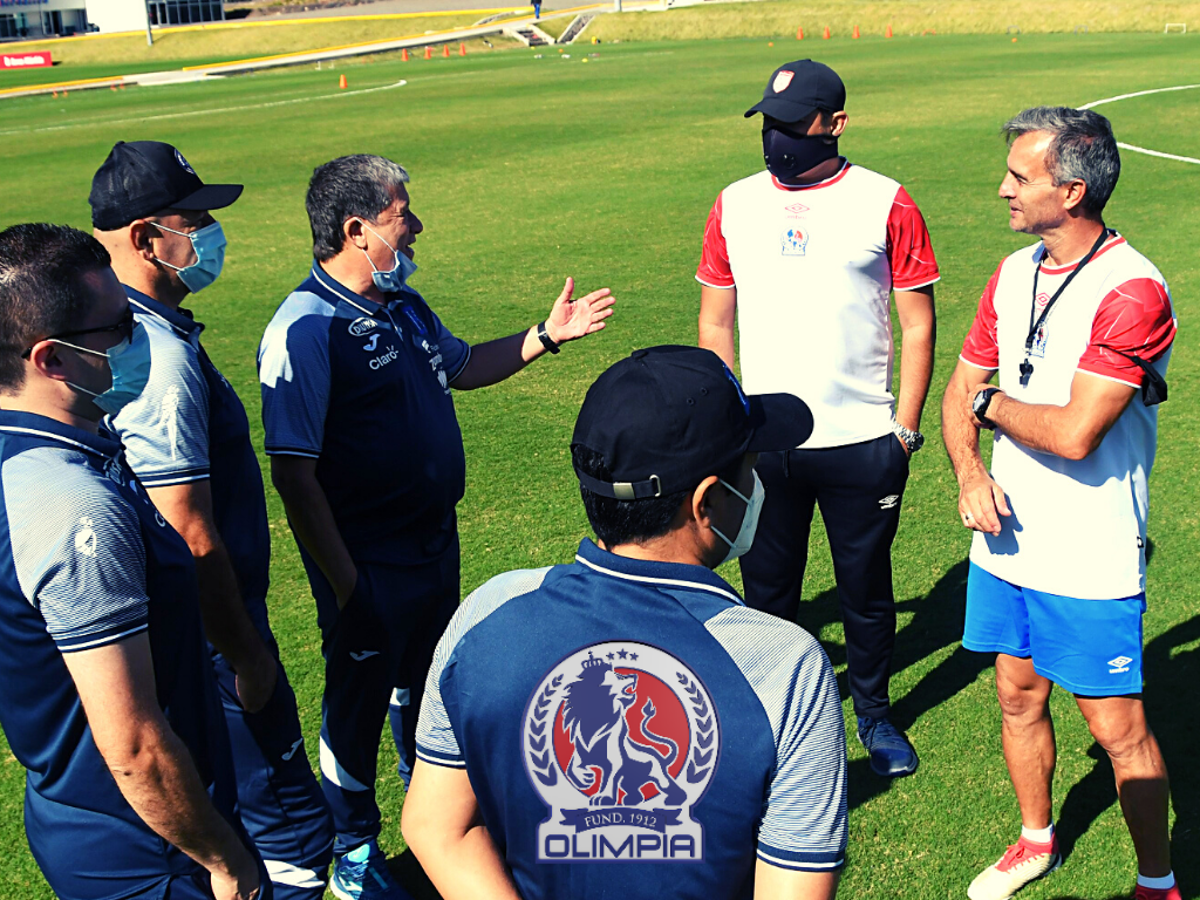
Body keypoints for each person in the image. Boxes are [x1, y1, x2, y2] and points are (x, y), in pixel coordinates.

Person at [257, 153, 614, 900]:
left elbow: (459, 365)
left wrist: (545, 336)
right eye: (401, 215)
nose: (415, 226)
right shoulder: (306, 329)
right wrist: (347, 583)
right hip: (368, 560)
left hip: (431, 546)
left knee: (427, 688)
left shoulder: (403, 306)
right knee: (356, 702)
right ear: (357, 230)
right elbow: (294, 474)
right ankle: (352, 850)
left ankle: (438, 819)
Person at [402, 344, 846, 900]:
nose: (756, 488)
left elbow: (437, 827)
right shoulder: (785, 665)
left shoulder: (486, 612)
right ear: (708, 502)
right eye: (750, 469)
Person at [942, 107, 1179, 900]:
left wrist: (989, 409)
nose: (1002, 189)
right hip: (1007, 543)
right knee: (1016, 693)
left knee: (1117, 729)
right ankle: (1036, 840)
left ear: (1071, 191)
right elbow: (961, 382)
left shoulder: (1133, 288)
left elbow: (1076, 433)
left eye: (1020, 177)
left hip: (1089, 550)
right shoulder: (1013, 273)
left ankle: (1157, 881)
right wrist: (971, 473)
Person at [88, 141, 335, 900]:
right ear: (141, 237)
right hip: (214, 647)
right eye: (191, 220)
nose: (206, 234)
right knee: (289, 835)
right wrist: (247, 655)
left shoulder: (126, 336)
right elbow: (189, 532)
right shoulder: (155, 358)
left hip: (187, 640)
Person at [0, 223, 265, 900]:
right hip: (148, 848)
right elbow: (136, 746)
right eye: (118, 327)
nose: (139, 337)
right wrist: (225, 860)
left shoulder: (56, 450)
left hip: (106, 822)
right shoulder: (73, 506)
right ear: (50, 360)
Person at [695, 58, 938, 777]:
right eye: (768, 124)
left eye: (791, 124)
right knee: (767, 595)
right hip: (765, 447)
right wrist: (731, 421)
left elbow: (918, 325)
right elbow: (715, 322)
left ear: (835, 124)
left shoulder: (887, 202)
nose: (776, 138)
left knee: (865, 592)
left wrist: (907, 427)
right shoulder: (733, 203)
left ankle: (874, 714)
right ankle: (773, 718)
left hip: (862, 441)